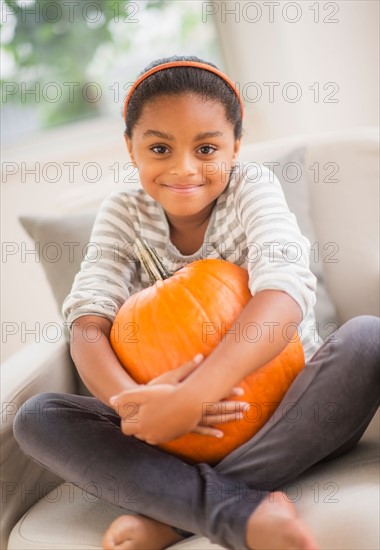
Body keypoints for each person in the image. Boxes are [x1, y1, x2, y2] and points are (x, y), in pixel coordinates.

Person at [14, 55, 379, 550]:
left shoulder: (252, 187)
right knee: (38, 416)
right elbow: (86, 323)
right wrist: (131, 408)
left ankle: (183, 514)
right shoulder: (123, 212)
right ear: (131, 148)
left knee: (369, 339)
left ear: (236, 147)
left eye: (206, 148)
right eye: (160, 148)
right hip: (170, 435)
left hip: (292, 411)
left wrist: (195, 395)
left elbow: (285, 290)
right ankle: (237, 503)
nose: (183, 168)